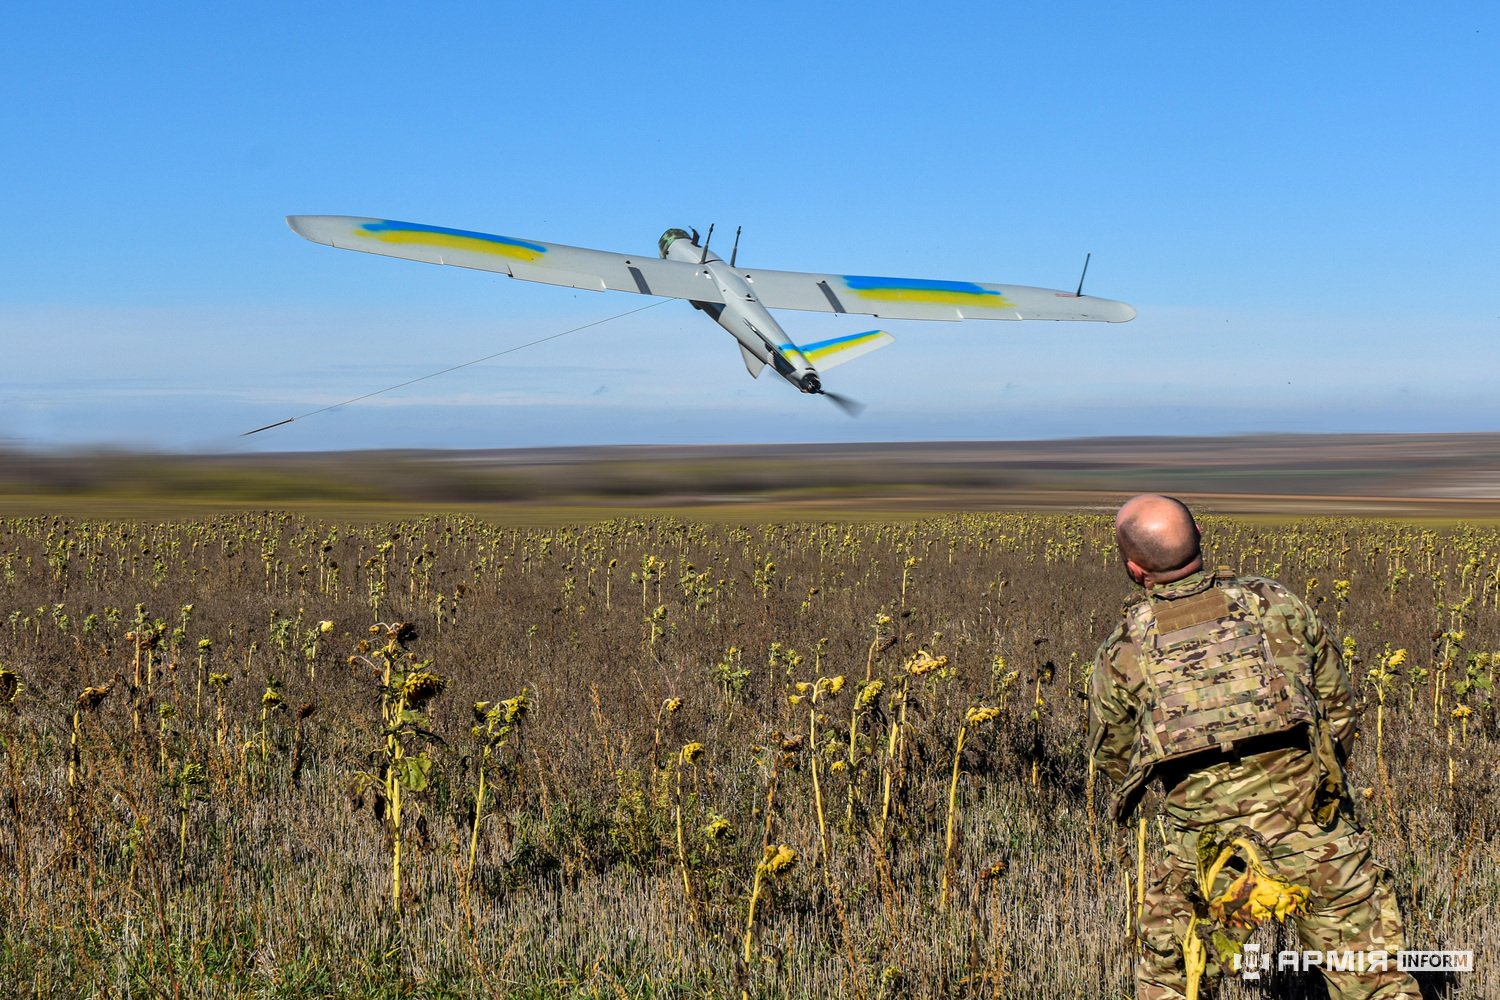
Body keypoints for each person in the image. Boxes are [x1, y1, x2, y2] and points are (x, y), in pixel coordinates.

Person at [1089, 494, 1420, 1000]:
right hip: (1316, 834)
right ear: (1200, 536)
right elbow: (1337, 711)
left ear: (1134, 568)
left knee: (1176, 983)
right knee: (1376, 985)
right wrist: (1315, 794)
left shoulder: (1123, 651)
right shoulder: (1276, 603)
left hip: (1207, 854)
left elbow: (1114, 759)